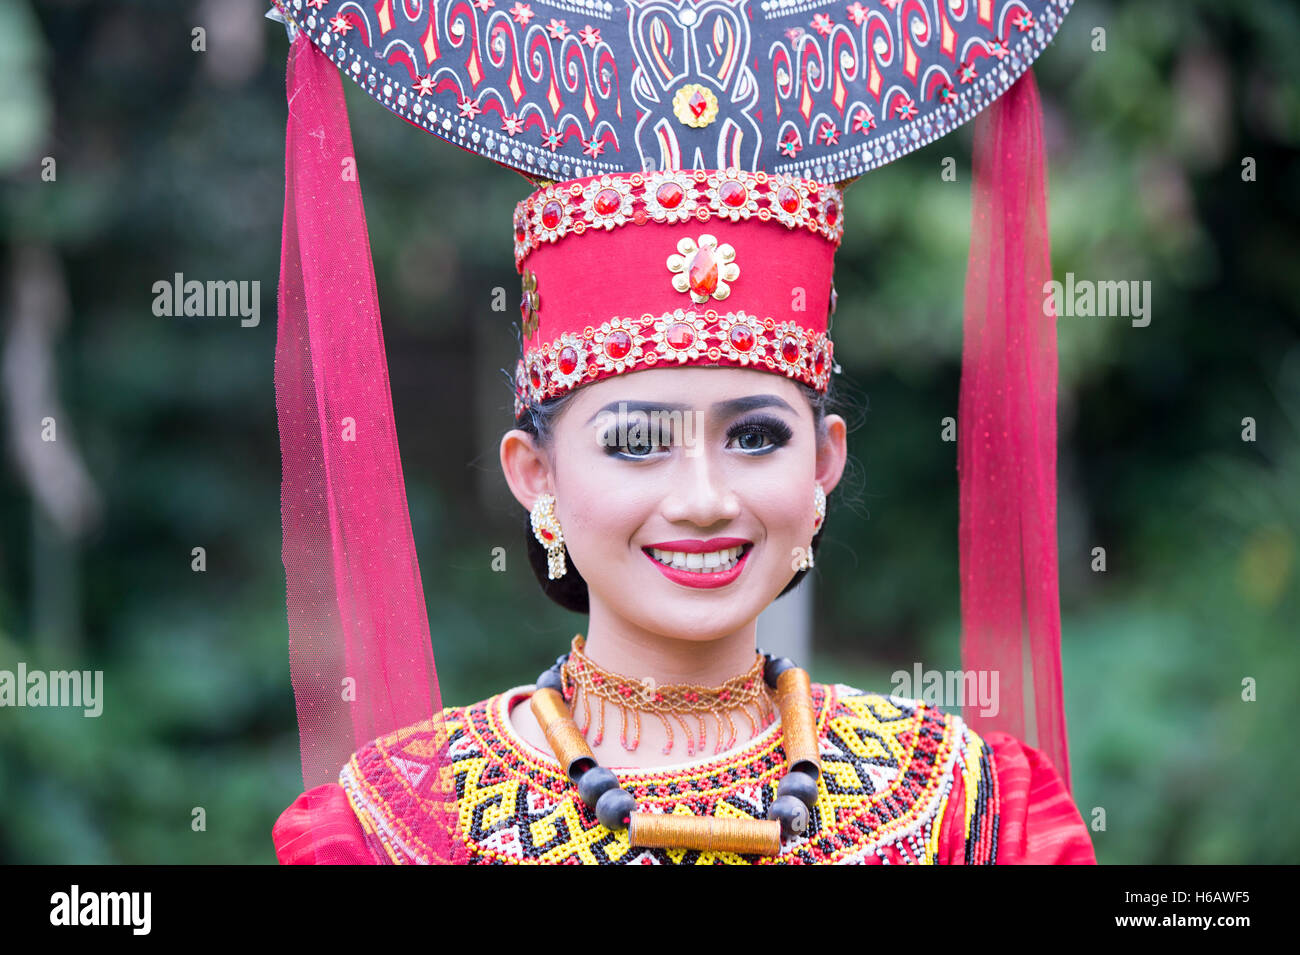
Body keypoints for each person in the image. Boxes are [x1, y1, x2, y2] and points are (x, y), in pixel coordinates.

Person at [266, 0, 1095, 864]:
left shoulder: (971, 807)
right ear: (534, 473)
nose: (704, 499)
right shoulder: (394, 828)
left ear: (824, 463)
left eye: (756, 438)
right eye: (635, 442)